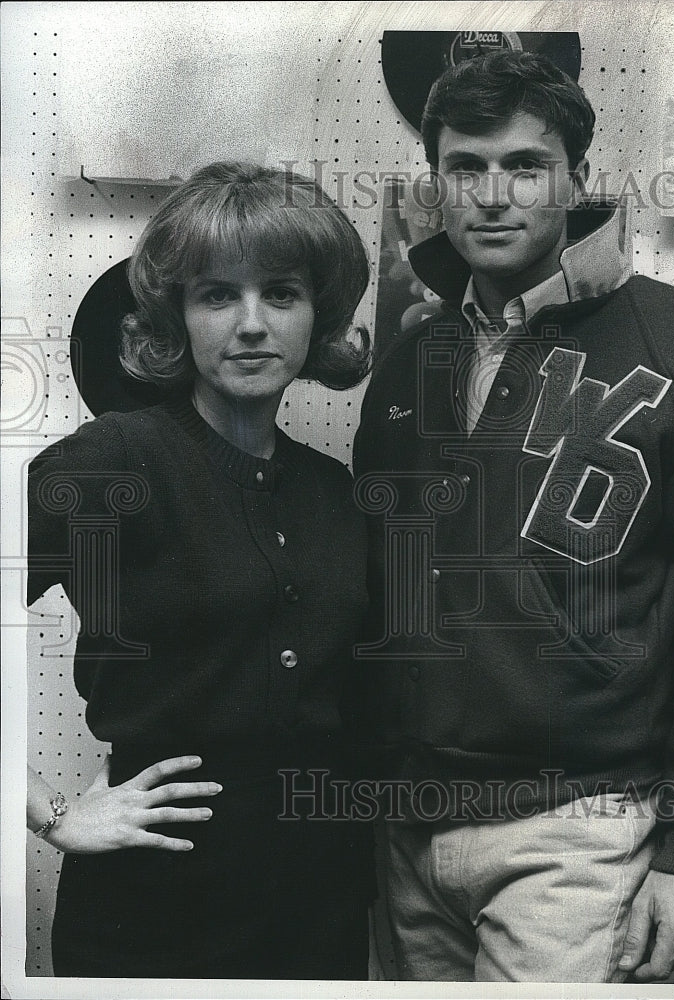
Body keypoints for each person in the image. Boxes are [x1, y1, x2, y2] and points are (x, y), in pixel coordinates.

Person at [353, 51, 674, 983]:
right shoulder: (411, 365)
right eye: (465, 168)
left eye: (525, 166)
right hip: (408, 830)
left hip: (578, 830)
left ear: (576, 176)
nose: (493, 195)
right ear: (437, 183)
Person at [26, 161, 374, 979]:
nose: (251, 324)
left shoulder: (335, 492)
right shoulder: (114, 459)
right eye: (218, 295)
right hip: (154, 903)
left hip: (315, 904)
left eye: (281, 293)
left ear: (317, 313)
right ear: (176, 316)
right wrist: (51, 811)